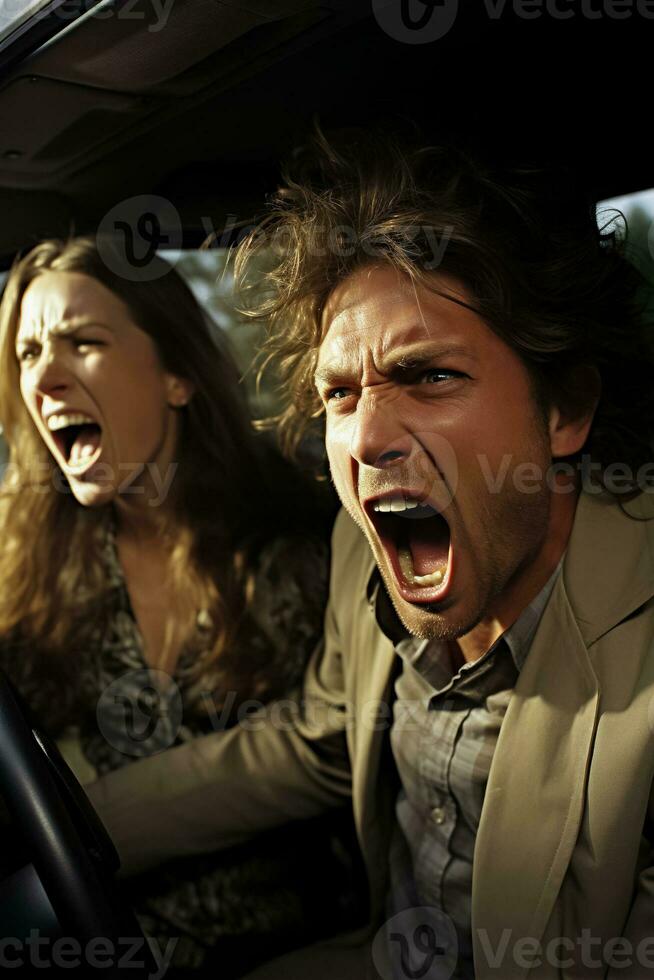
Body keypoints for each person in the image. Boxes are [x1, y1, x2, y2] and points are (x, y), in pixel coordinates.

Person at [85, 132, 654, 980]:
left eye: (428, 377)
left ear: (564, 412)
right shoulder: (363, 545)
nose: (367, 439)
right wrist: (70, 821)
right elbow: (321, 738)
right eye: (339, 395)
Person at [0, 236, 363, 976]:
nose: (46, 379)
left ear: (177, 376)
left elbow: (331, 747)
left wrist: (73, 832)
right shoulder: (22, 567)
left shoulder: (304, 538)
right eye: (30, 354)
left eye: (83, 342)